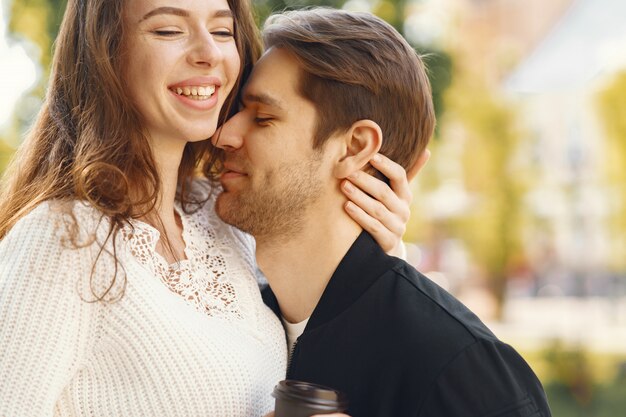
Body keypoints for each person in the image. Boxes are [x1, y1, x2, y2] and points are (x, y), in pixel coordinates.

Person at [0, 1, 412, 416]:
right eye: (168, 31)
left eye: (221, 31)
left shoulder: (221, 216)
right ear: (105, 52)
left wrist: (374, 252)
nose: (208, 53)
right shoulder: (63, 238)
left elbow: (309, 355)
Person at [213, 8, 552, 417]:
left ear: (355, 147)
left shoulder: (460, 366)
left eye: (263, 118)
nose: (224, 135)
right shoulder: (235, 319)